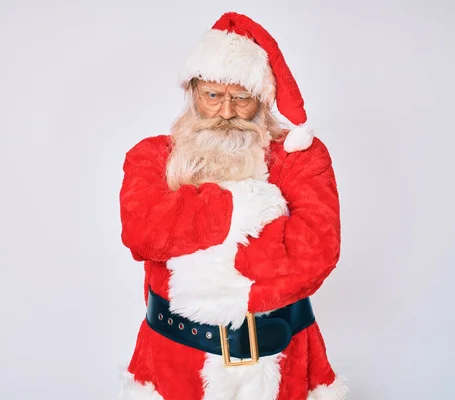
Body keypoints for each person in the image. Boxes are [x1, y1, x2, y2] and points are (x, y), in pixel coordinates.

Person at [118, 11, 349, 400]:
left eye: (241, 98)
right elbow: (144, 234)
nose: (226, 112)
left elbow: (316, 252)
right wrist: (247, 208)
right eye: (212, 96)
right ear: (193, 92)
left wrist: (189, 222)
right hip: (175, 361)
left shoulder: (300, 158)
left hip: (282, 361)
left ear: (261, 99)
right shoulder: (151, 156)